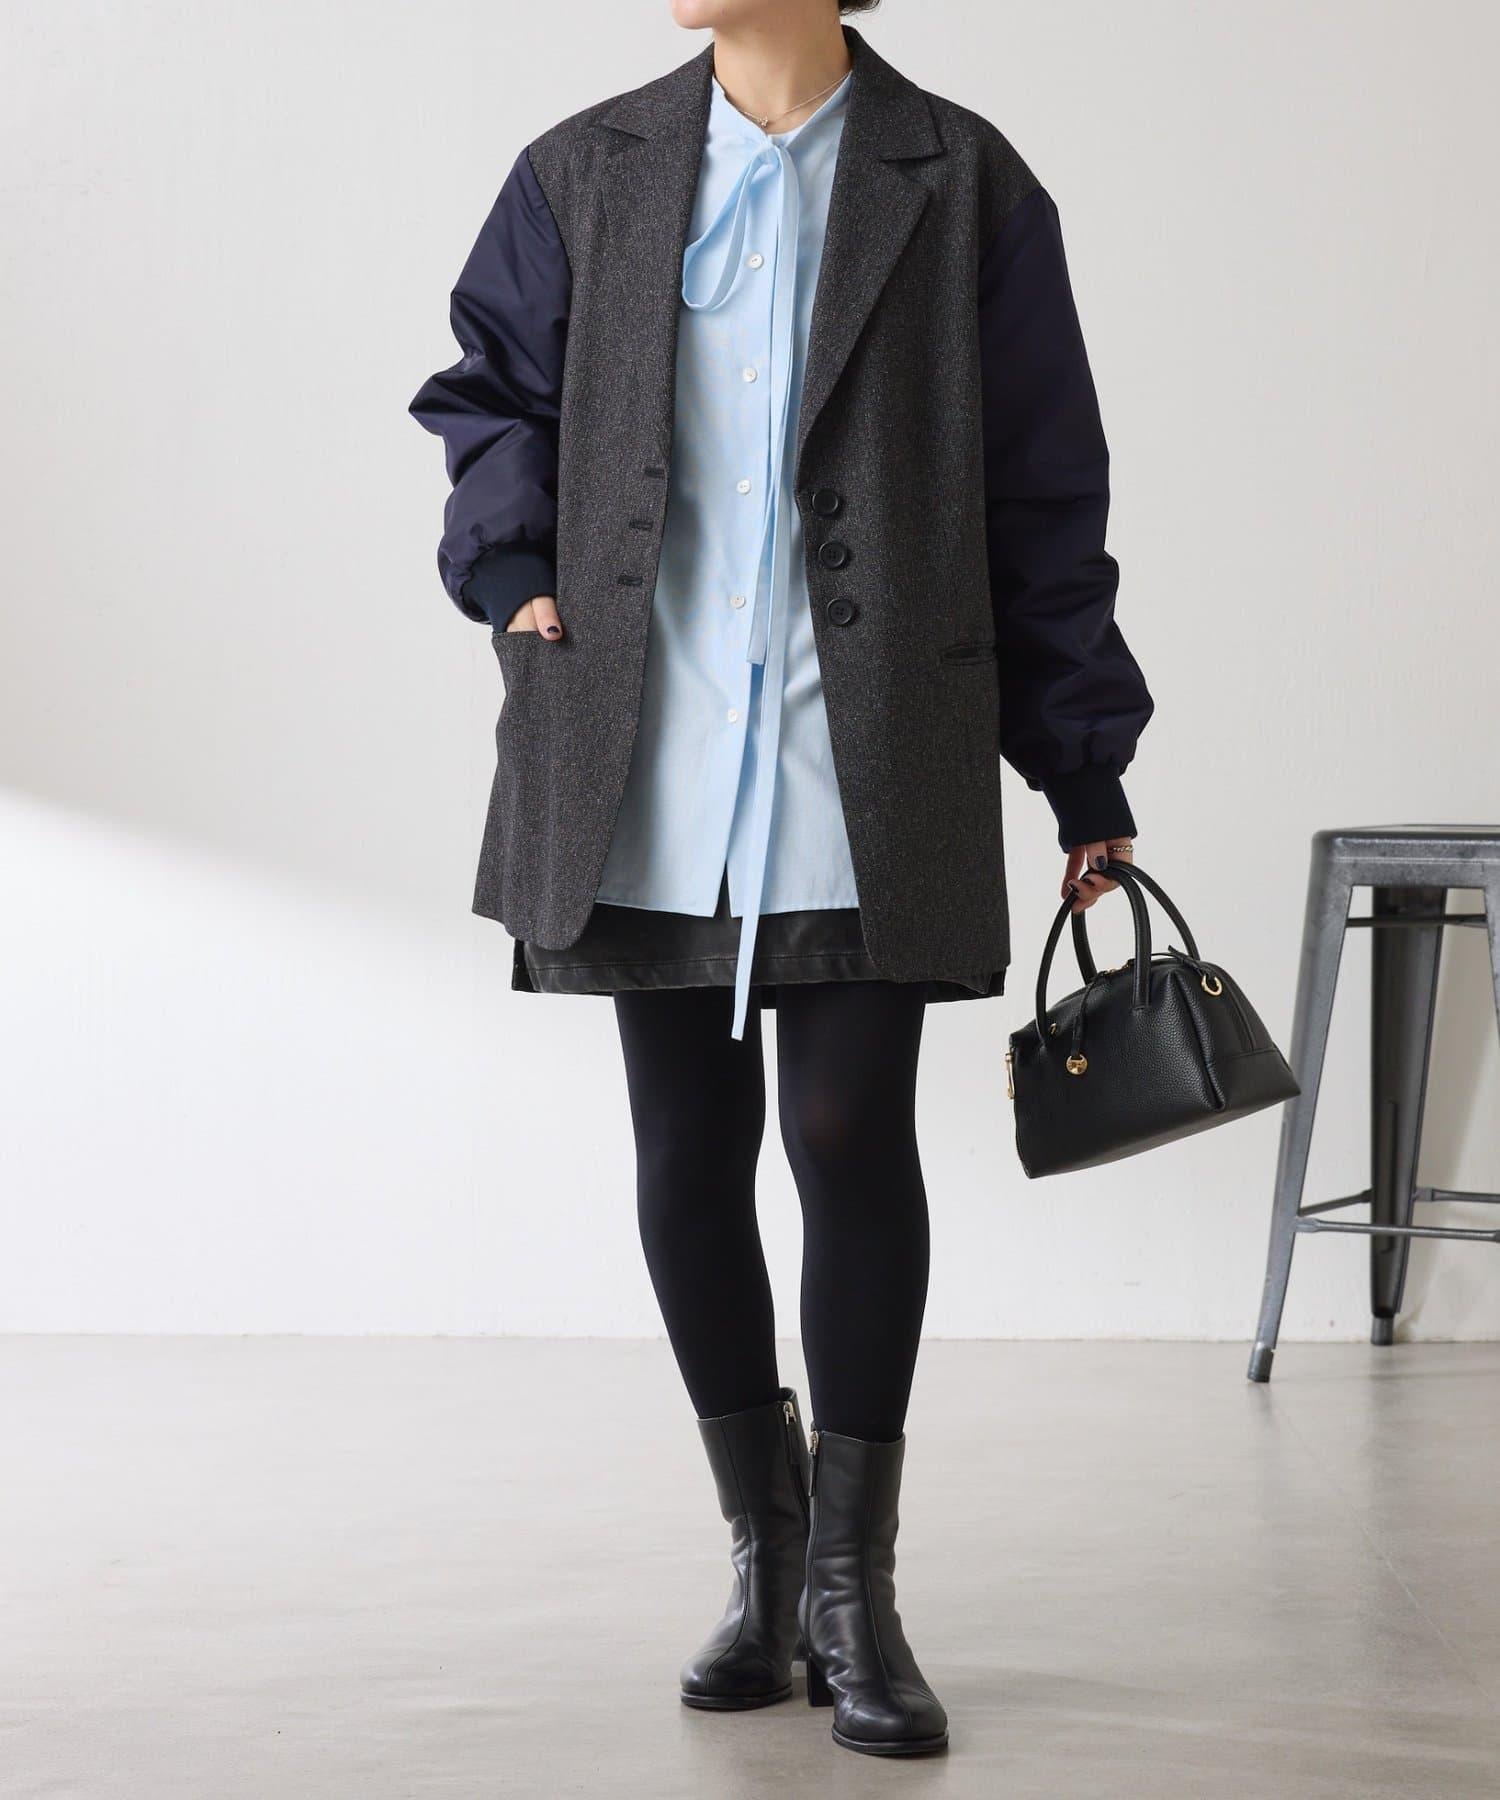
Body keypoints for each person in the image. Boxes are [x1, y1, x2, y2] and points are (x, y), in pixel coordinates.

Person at [410, 0, 1152, 1759]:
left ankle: (852, 1593)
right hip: (644, 743)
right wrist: (512, 565)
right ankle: (765, 1556)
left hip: (861, 740)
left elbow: (1046, 483)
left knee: (846, 1135)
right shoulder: (584, 169)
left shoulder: (962, 180)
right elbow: (487, 386)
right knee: (686, 1151)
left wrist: (1079, 756)